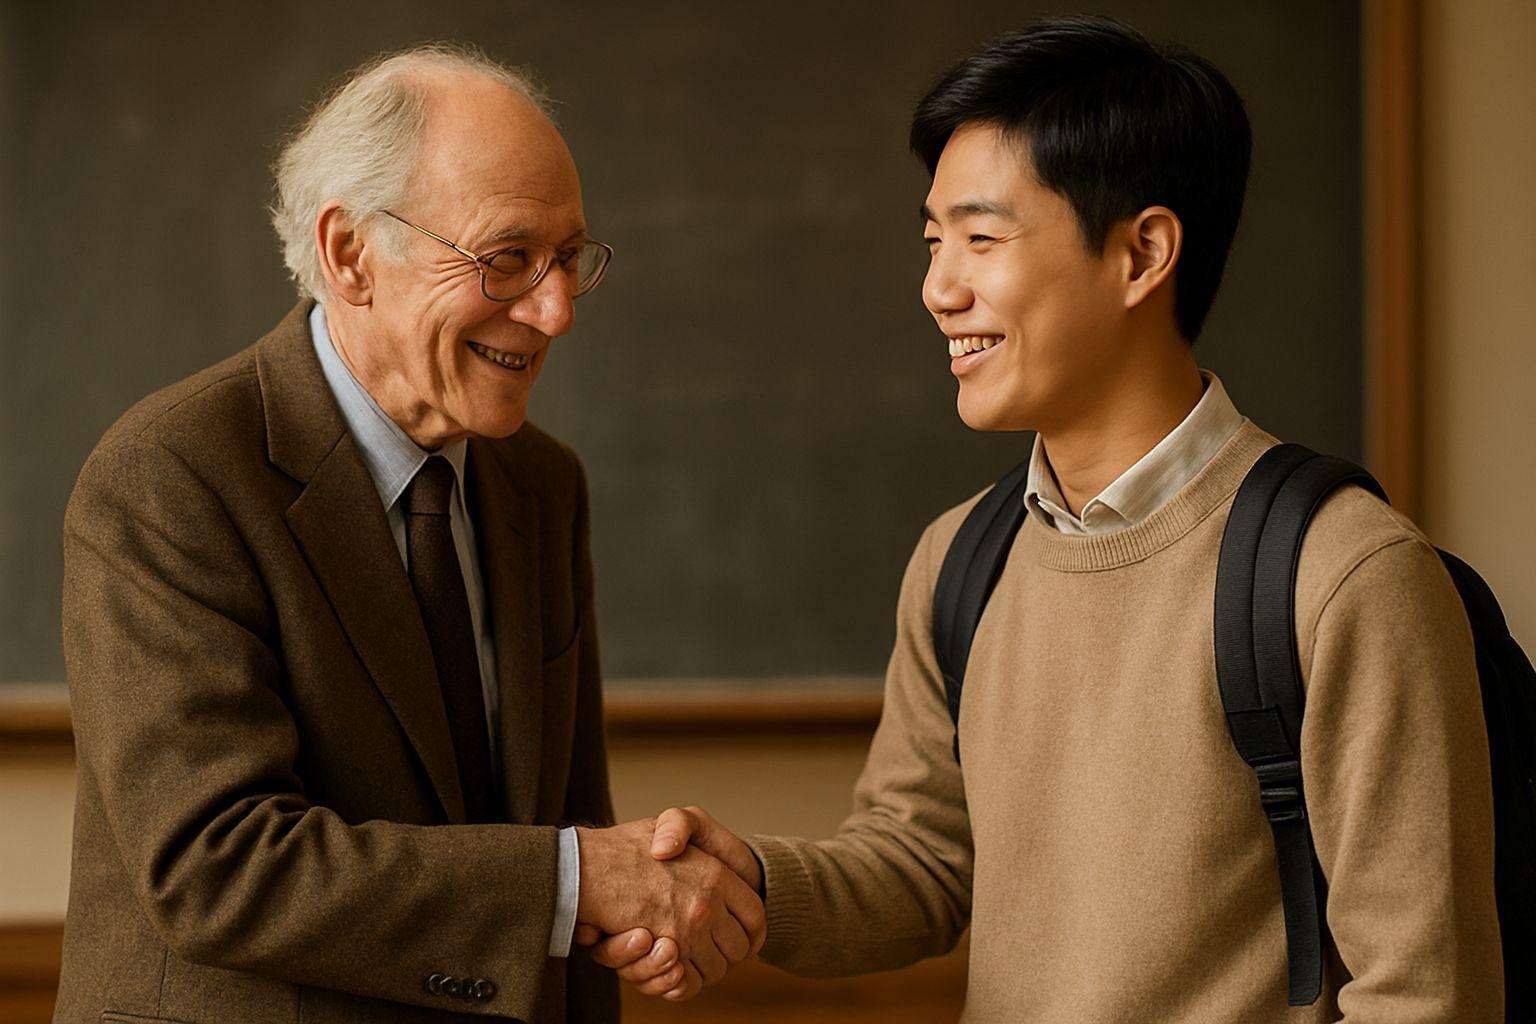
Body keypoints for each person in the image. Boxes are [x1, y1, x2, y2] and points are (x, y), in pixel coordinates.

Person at [594, 16, 1505, 1020]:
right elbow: (922, 861)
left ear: (1142, 255)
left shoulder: (1344, 573)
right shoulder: (962, 560)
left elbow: (1424, 993)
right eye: (935, 240)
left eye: (982, 237)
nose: (940, 288)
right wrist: (750, 883)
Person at [56, 44, 761, 1024]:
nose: (554, 311)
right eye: (507, 257)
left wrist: (621, 913)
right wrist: (576, 885)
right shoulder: (170, 474)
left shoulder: (541, 485)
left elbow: (572, 834)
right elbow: (216, 867)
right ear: (351, 254)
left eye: (568, 259)